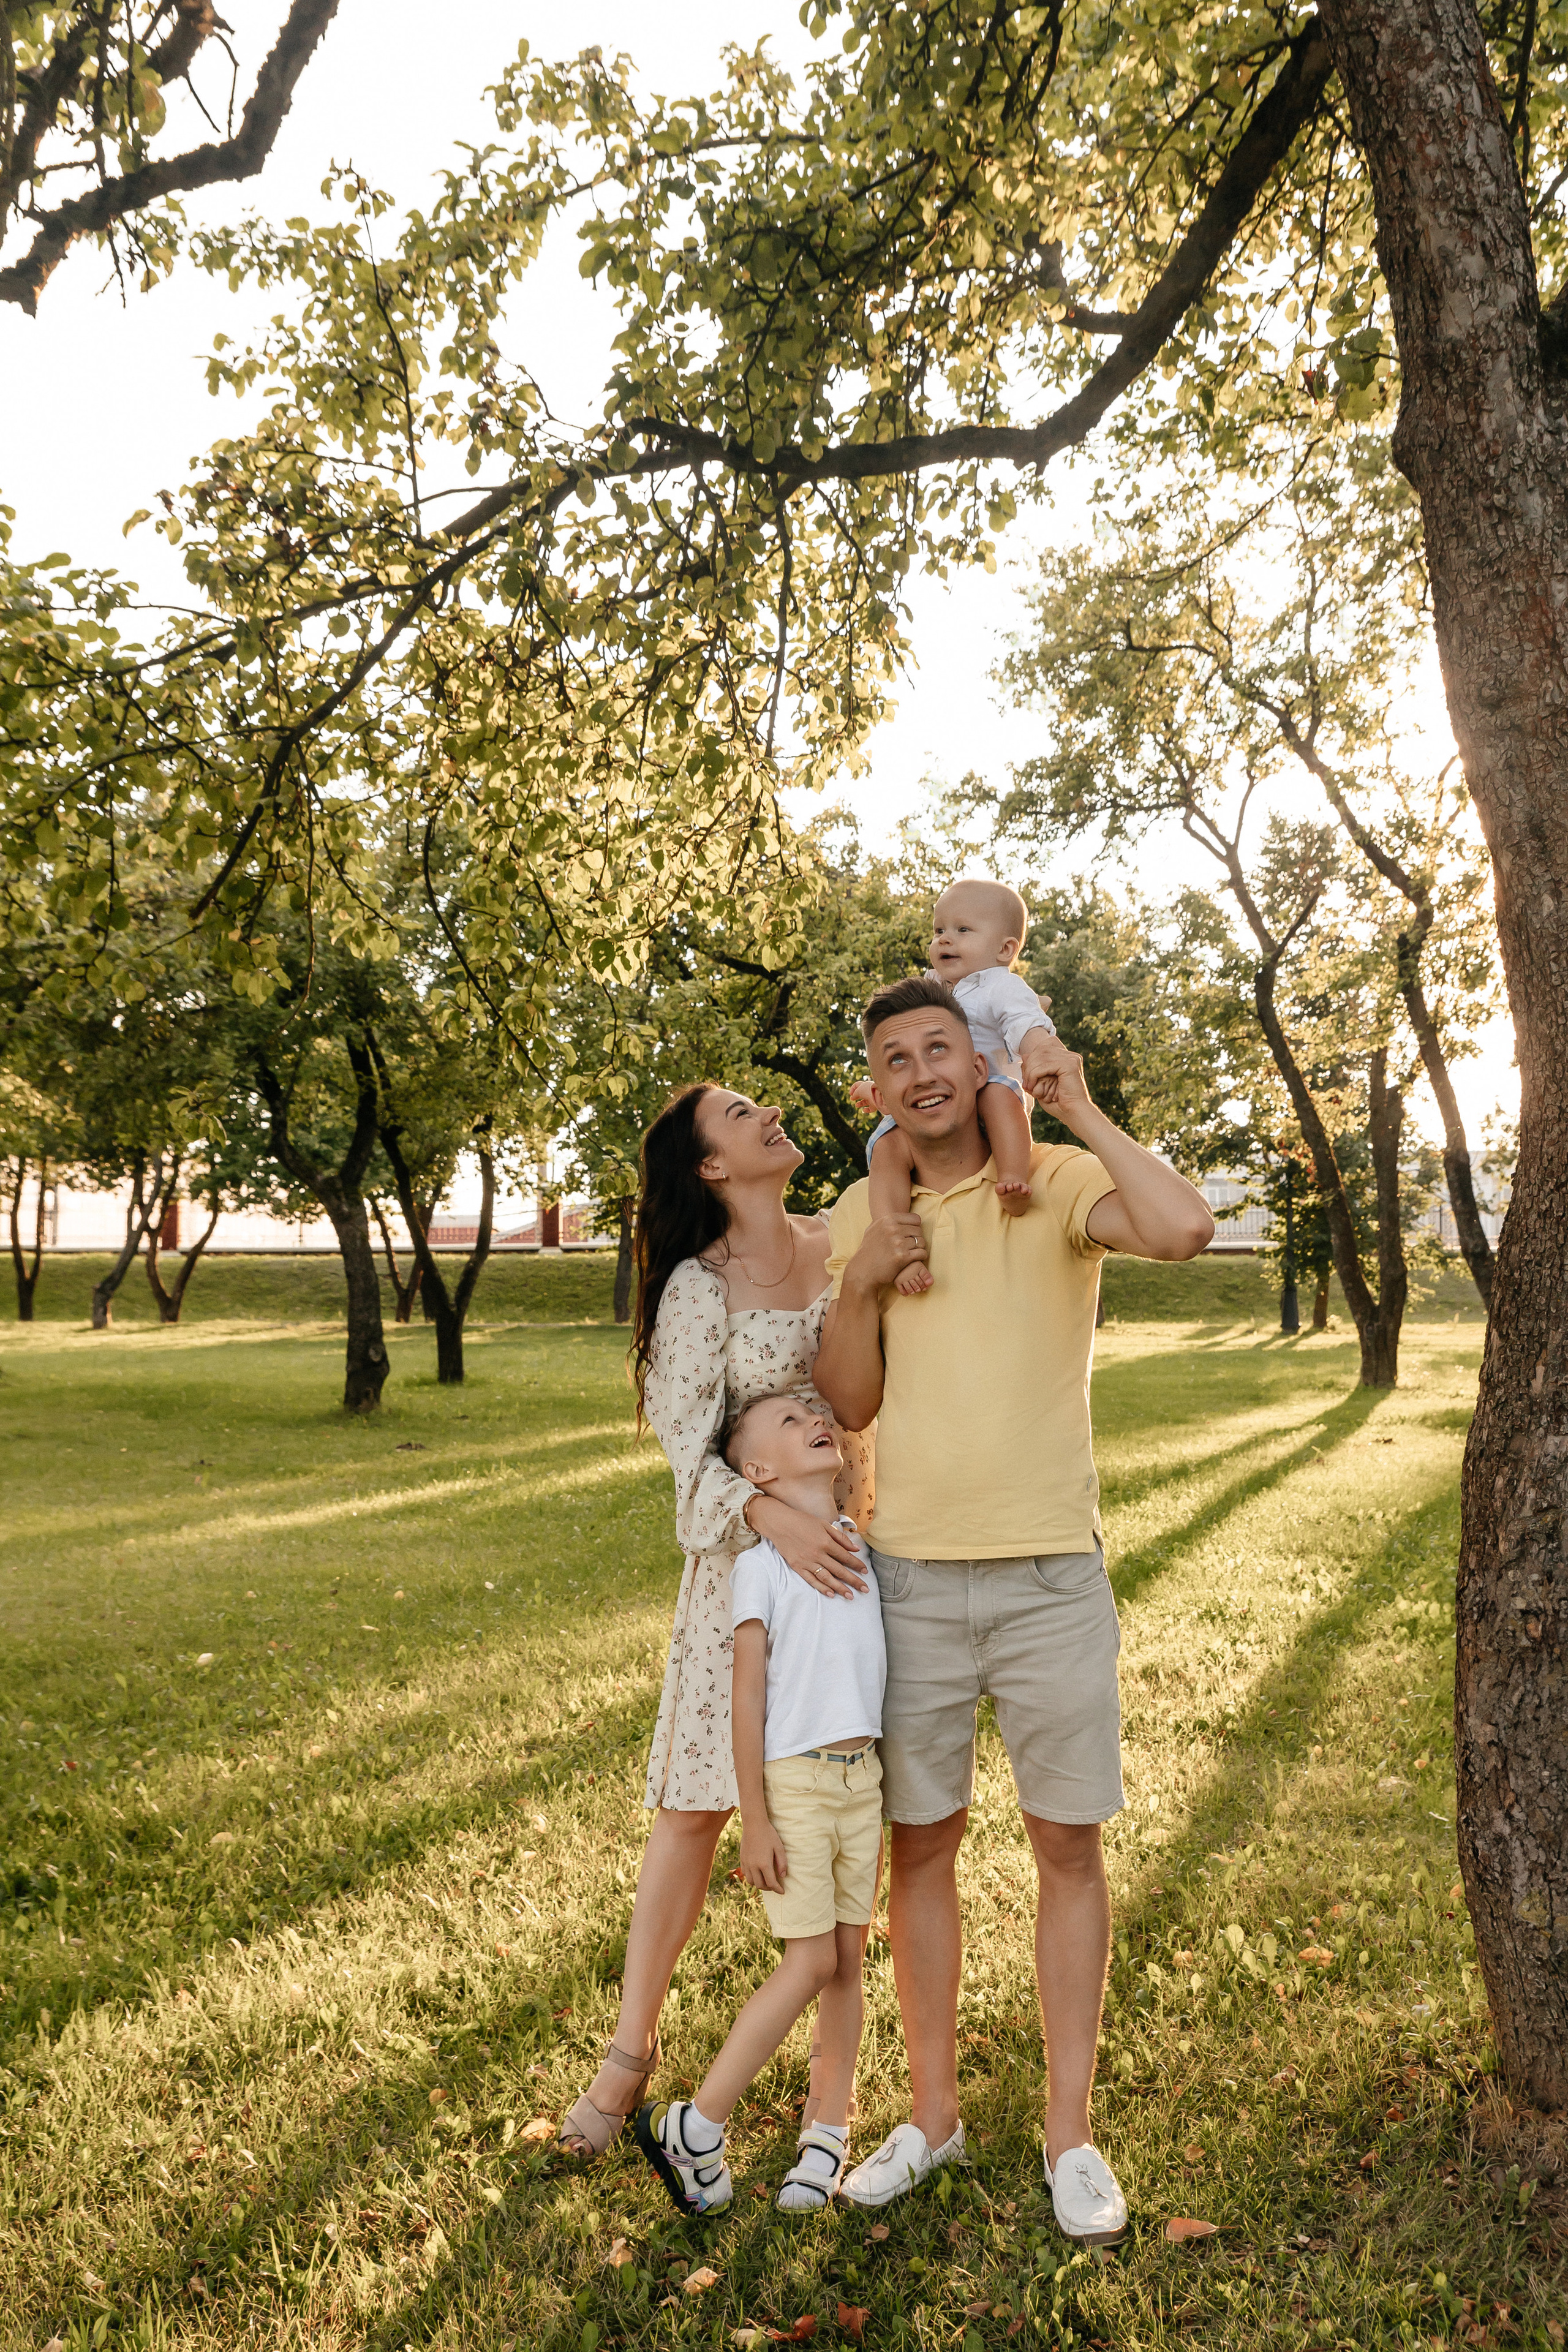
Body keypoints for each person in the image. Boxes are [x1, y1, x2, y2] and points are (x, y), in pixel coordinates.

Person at [812, 973, 1214, 2239]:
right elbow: (849, 1399)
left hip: (1050, 1577)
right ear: (873, 1090)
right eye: (895, 1057)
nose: (922, 1070)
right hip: (911, 1581)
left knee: (1065, 1848)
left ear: (971, 1060)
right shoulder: (856, 1213)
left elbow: (1185, 1227)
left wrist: (1078, 1108)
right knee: (917, 1848)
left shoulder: (1043, 1181)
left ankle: (1068, 2134)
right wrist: (862, 1279)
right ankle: (931, 2118)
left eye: (942, 1046)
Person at [558, 1084, 873, 2159]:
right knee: (695, 1812)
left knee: (847, 1802)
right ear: (709, 1168)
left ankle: (837, 2099)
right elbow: (686, 1461)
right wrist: (773, 1518)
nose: (771, 1113)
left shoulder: (841, 1241)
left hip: (846, 1571)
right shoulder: (699, 1289)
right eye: (742, 1113)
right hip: (740, 1580)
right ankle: (628, 2057)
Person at [635, 1392, 884, 2215]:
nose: (814, 1416)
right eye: (787, 1420)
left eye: (813, 1411)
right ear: (759, 1473)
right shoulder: (762, 1568)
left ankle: (827, 2135)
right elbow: (747, 1702)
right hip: (799, 1786)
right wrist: (758, 1817)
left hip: (862, 1783)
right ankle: (698, 2123)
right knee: (811, 1961)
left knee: (847, 1959)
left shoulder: (859, 1544)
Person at [848, 878, 1056, 1292]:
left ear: (1005, 950)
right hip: (938, 1099)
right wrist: (881, 1086)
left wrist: (1044, 1054)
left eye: (963, 930)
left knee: (998, 1097)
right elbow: (906, 1051)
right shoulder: (930, 987)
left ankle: (1014, 1178)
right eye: (939, 930)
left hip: (992, 1080)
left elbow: (1025, 1024)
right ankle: (898, 1248)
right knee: (888, 1148)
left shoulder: (1002, 985)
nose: (945, 939)